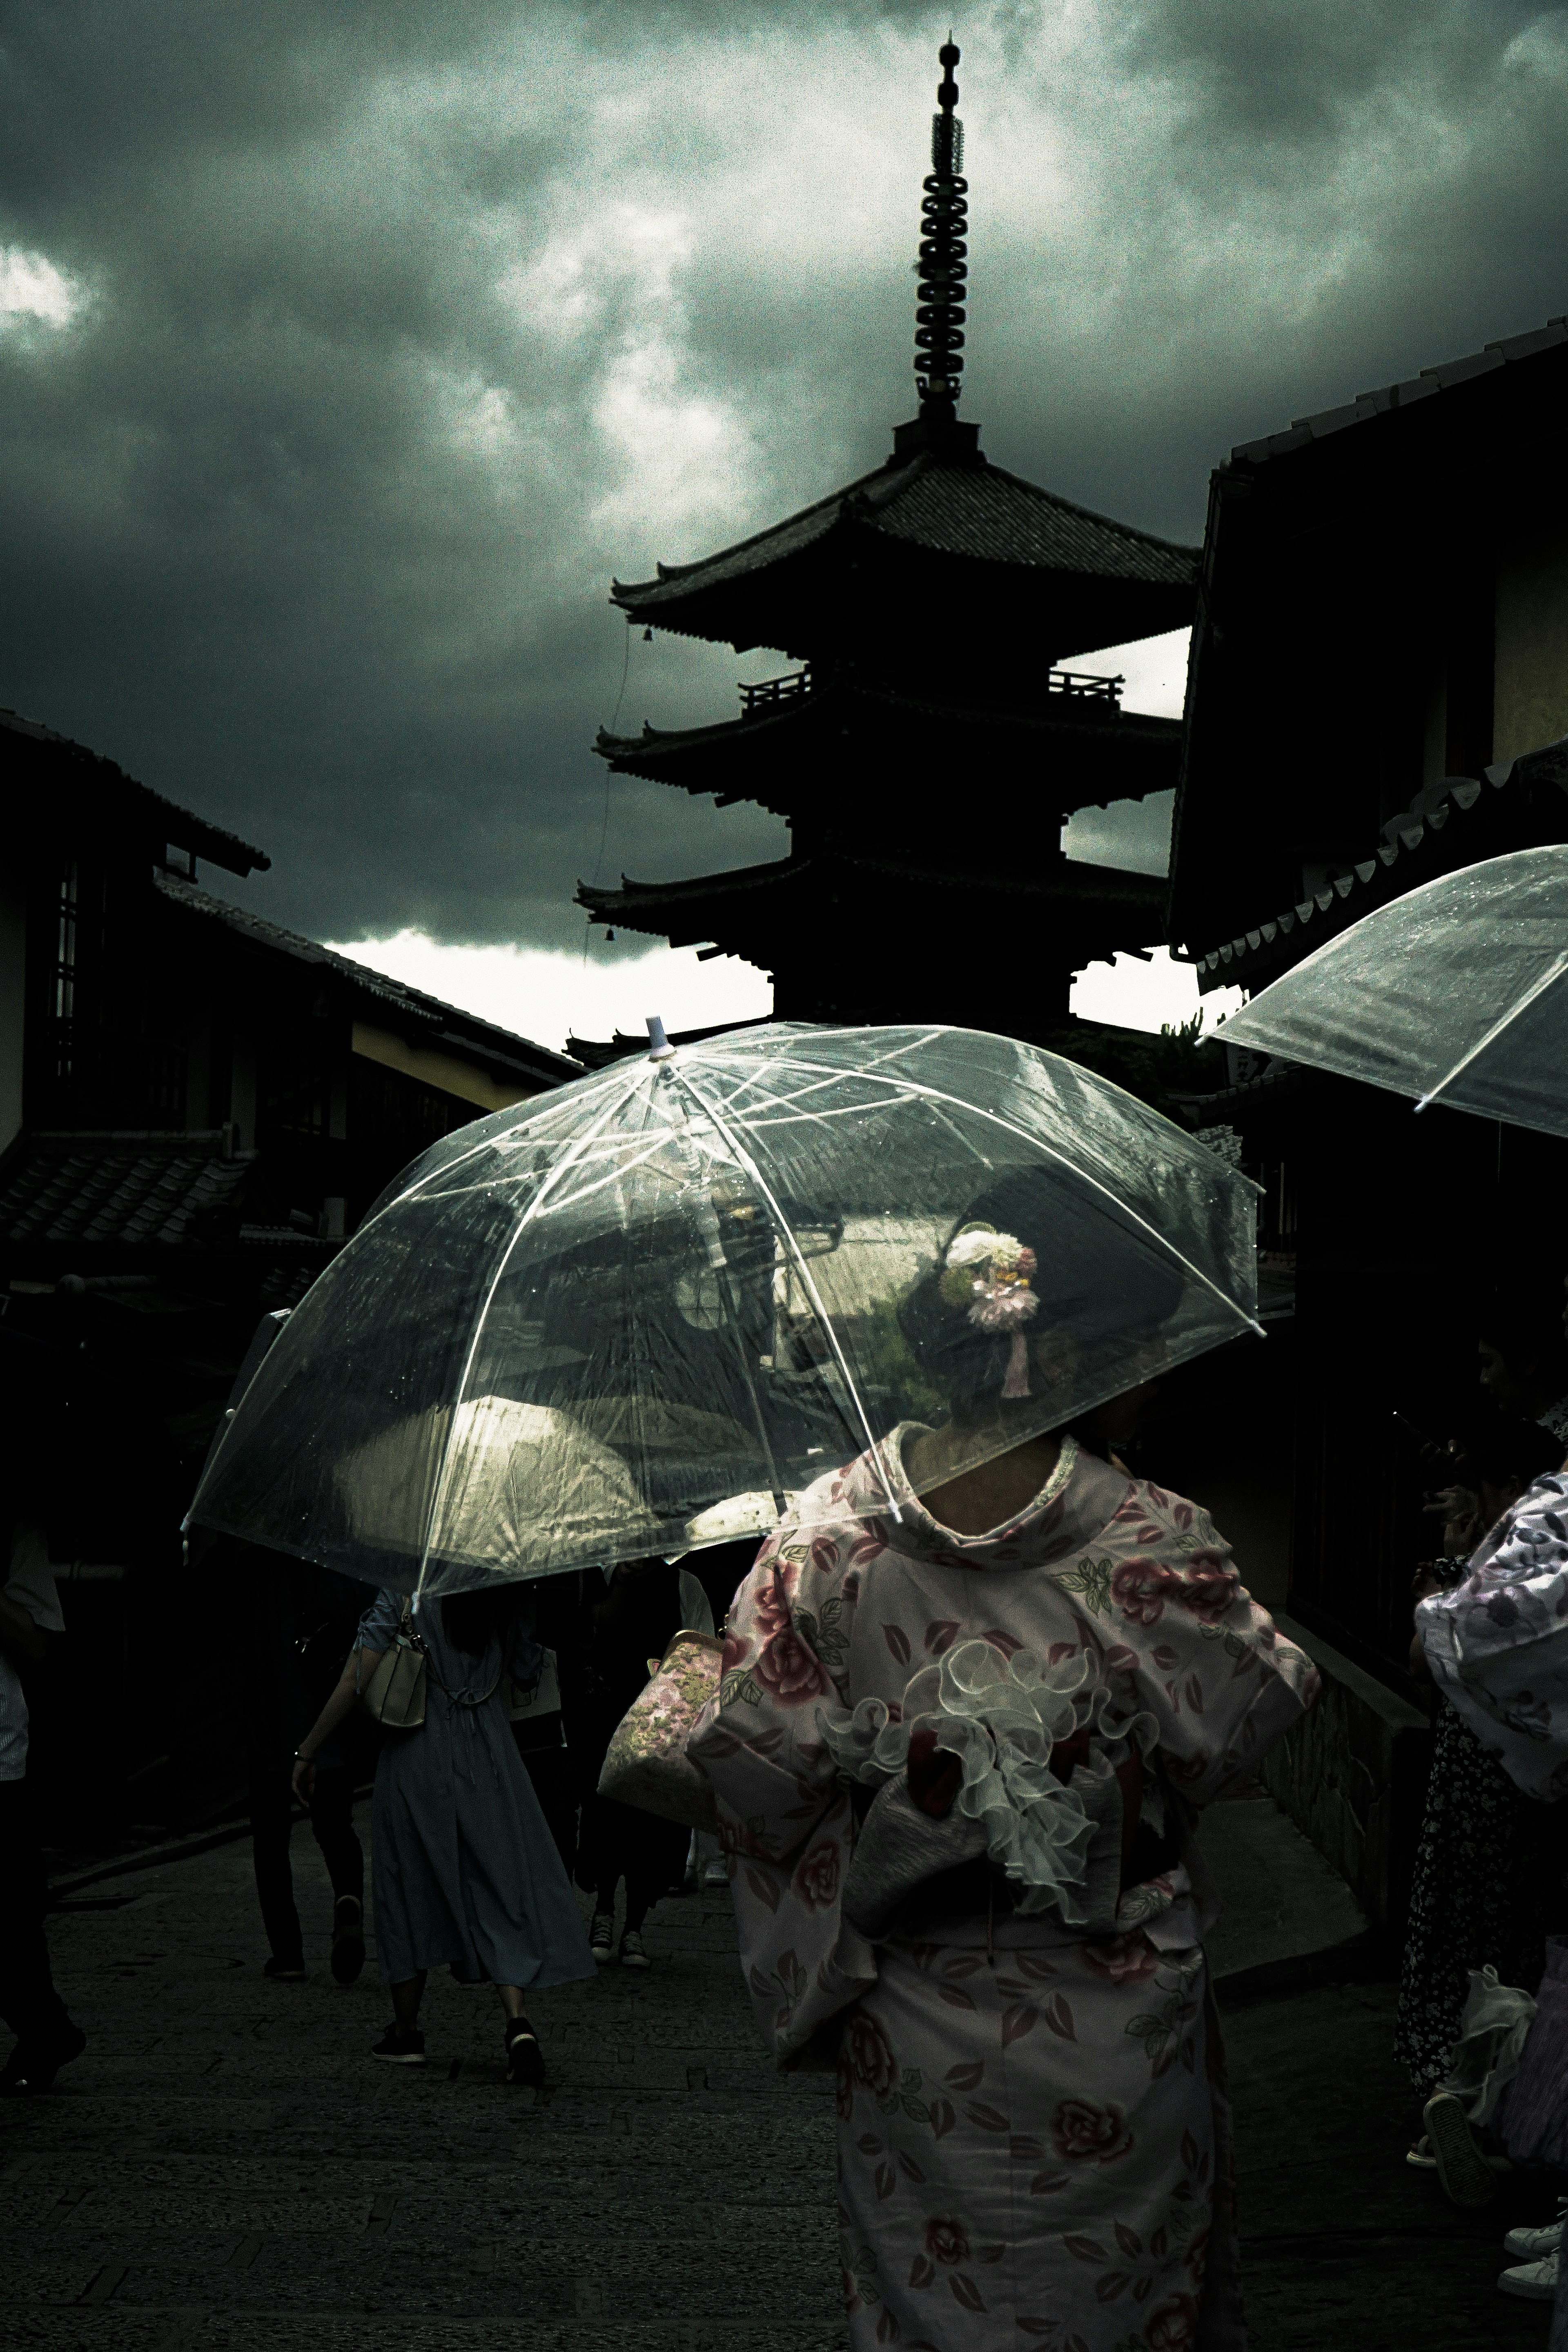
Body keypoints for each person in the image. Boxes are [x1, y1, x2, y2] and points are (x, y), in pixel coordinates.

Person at [691, 1186, 1318, 2350]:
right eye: (1142, 1351)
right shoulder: (1151, 1540)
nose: (1158, 1379)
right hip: (1117, 2004)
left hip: (917, 2014)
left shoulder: (821, 1535)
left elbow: (758, 1775)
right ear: (1063, 1352)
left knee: (929, 2311)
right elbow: (1246, 1721)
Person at [292, 1580, 595, 2081]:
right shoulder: (504, 1582)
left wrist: (309, 1749)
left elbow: (358, 1673)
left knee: (407, 1884)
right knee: (499, 1881)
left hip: (417, 1753)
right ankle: (518, 2023)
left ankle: (406, 2030)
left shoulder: (408, 1585)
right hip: (490, 1752)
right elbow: (523, 1674)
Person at [1395, 1416, 1568, 2195]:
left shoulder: (1495, 1562)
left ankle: (1481, 2100)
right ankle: (1492, 2106)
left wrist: (1438, 1603)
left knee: (1488, 1937)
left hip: (1492, 1772)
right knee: (1520, 1945)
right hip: (1521, 1770)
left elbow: (1427, 1653)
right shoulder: (1508, 1551)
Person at [235, 1542, 374, 1984]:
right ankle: (347, 1896)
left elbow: (236, 1638)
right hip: (331, 1720)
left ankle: (288, 1952)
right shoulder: (344, 1564)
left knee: (271, 1840)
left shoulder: (258, 1565)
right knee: (335, 1829)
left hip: (270, 1721)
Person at [563, 1556, 711, 1966]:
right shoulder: (605, 1574)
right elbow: (592, 1632)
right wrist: (621, 1583)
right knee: (605, 1810)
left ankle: (635, 1927)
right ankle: (605, 1911)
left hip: (662, 1719)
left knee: (654, 1821)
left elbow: (699, 1655)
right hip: (608, 1711)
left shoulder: (684, 1585)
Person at [0, 1490, 84, 2097]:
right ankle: (45, 2026)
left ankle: (42, 2028)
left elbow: (35, 1645)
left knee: (9, 1912)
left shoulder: (14, 1528)